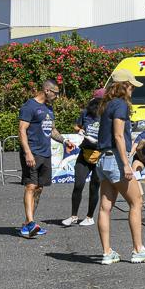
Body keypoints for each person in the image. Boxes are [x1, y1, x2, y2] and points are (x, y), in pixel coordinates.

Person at [94, 69, 145, 265]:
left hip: (103, 160)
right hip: (116, 159)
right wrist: (126, 164)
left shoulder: (106, 105)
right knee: (137, 202)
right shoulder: (121, 105)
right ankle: (138, 249)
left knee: (105, 207)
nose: (133, 88)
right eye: (131, 85)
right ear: (123, 86)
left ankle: (107, 253)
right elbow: (118, 136)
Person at [17, 79, 72, 238]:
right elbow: (22, 130)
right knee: (30, 186)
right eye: (55, 93)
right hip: (32, 152)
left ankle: (28, 223)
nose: (56, 96)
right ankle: (31, 223)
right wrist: (27, 152)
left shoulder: (48, 107)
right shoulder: (29, 106)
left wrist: (64, 141)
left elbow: (52, 129)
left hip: (45, 153)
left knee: (39, 188)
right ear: (47, 90)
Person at [62, 96, 103, 227]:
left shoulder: (106, 116)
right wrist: (79, 130)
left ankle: (89, 216)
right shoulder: (85, 113)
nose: (95, 114)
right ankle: (73, 216)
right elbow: (76, 125)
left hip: (100, 155)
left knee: (94, 187)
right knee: (78, 185)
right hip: (84, 153)